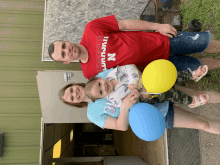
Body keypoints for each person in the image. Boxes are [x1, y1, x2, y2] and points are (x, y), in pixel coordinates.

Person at [48, 15, 220, 79]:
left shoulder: (91, 28)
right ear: (66, 62)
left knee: (203, 43)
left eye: (64, 45)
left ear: (67, 40)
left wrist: (157, 26)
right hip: (158, 70)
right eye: (63, 54)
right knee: (198, 67)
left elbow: (124, 24)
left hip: (161, 41)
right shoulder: (89, 73)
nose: (67, 50)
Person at [58, 77, 220, 134]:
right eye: (71, 97)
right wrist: (124, 107)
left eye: (71, 90)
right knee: (202, 124)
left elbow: (123, 74)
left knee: (199, 96)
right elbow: (120, 126)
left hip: (153, 91)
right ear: (75, 103)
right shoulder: (92, 114)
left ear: (75, 84)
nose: (75, 93)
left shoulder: (95, 78)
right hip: (154, 113)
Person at [84, 64, 209, 108]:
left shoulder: (112, 73)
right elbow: (128, 104)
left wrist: (133, 81)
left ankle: (192, 75)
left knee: (168, 75)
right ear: (103, 97)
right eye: (101, 92)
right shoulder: (114, 99)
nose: (103, 87)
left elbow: (129, 67)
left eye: (99, 84)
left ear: (99, 78)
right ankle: (191, 101)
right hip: (147, 95)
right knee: (170, 94)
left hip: (147, 78)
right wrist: (135, 96)